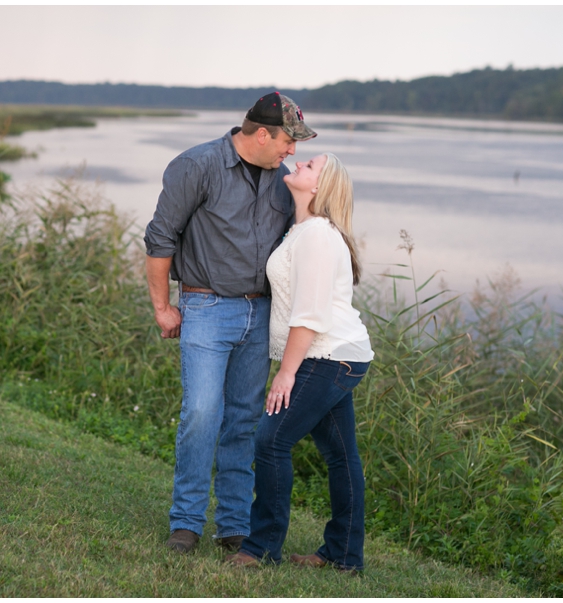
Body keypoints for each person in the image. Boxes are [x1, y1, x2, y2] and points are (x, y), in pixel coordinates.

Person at [144, 92, 317, 554]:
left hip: (261, 316)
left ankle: (234, 526)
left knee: (244, 422)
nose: (291, 152)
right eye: (287, 141)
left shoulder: (283, 182)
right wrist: (163, 308)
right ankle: (186, 522)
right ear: (262, 134)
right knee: (202, 413)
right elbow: (160, 238)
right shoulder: (196, 165)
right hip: (205, 309)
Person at [225, 153, 374, 572]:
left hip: (329, 357)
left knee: (271, 441)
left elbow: (309, 315)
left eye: (310, 165)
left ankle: (260, 549)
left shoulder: (317, 236)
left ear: (318, 188)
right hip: (335, 355)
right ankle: (344, 556)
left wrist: (285, 373)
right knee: (341, 457)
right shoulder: (302, 230)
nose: (300, 163)